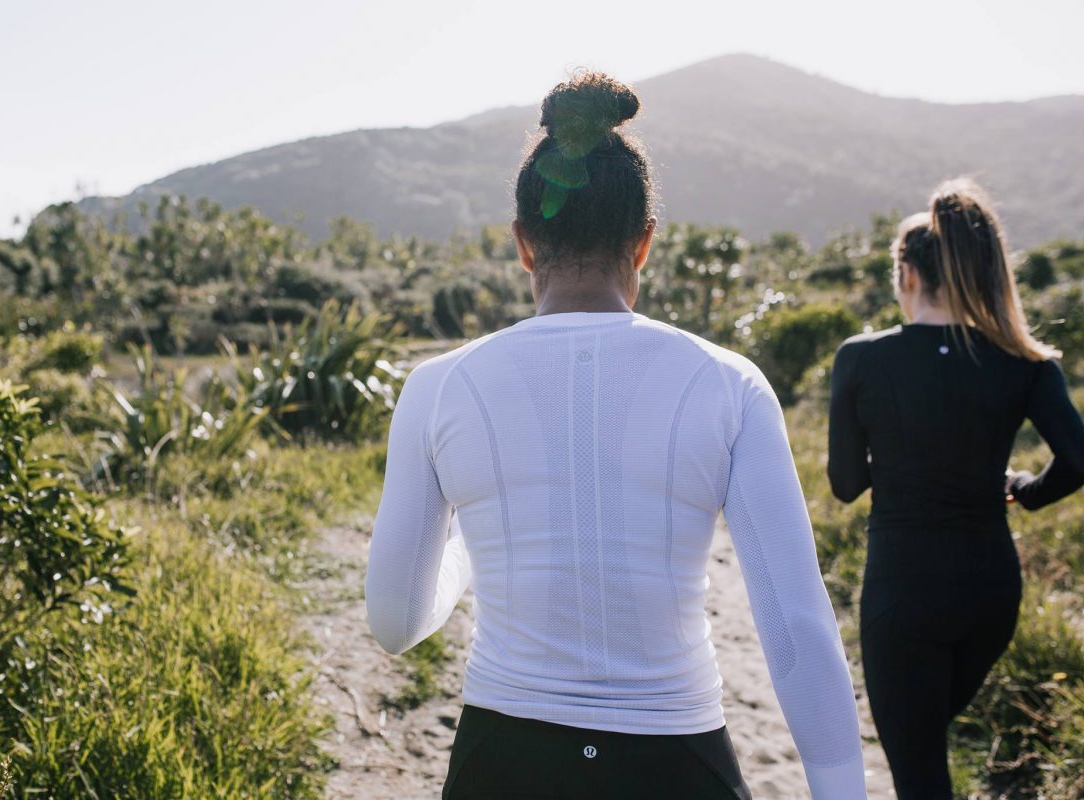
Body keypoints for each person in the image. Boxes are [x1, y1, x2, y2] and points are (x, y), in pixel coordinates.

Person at [366, 71, 867, 800]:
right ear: (644, 244)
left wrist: (467, 554)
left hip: (502, 761)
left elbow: (393, 624)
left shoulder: (439, 385)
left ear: (523, 244)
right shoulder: (730, 385)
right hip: (677, 759)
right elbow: (795, 626)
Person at [827, 179, 1084, 798]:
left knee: (917, 770)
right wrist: (1025, 489)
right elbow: (1077, 459)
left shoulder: (861, 358)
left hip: (905, 594)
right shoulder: (1025, 362)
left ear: (907, 273)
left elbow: (843, 485)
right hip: (990, 594)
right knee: (924, 746)